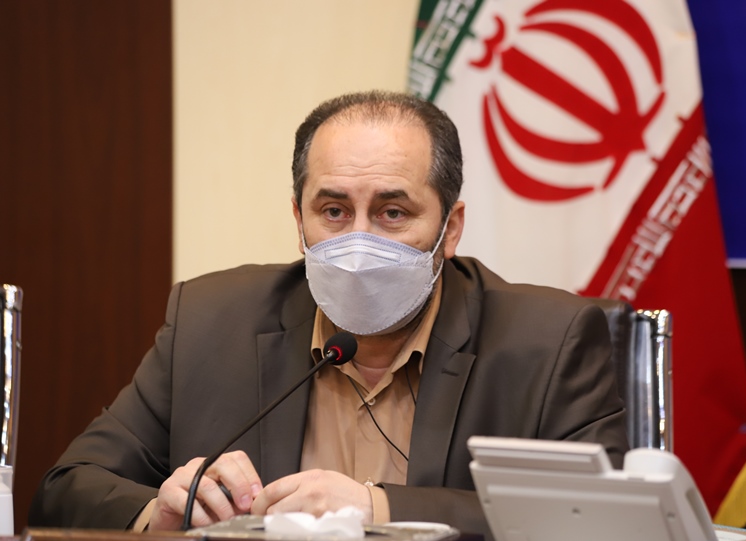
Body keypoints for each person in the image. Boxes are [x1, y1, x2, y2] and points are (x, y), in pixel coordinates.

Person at [28, 91, 629, 538]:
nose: (359, 243)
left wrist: (380, 509)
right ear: (299, 220)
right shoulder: (210, 323)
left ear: (451, 229)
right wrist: (156, 514)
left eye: (393, 212)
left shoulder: (548, 342)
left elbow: (604, 523)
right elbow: (66, 487)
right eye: (334, 211)